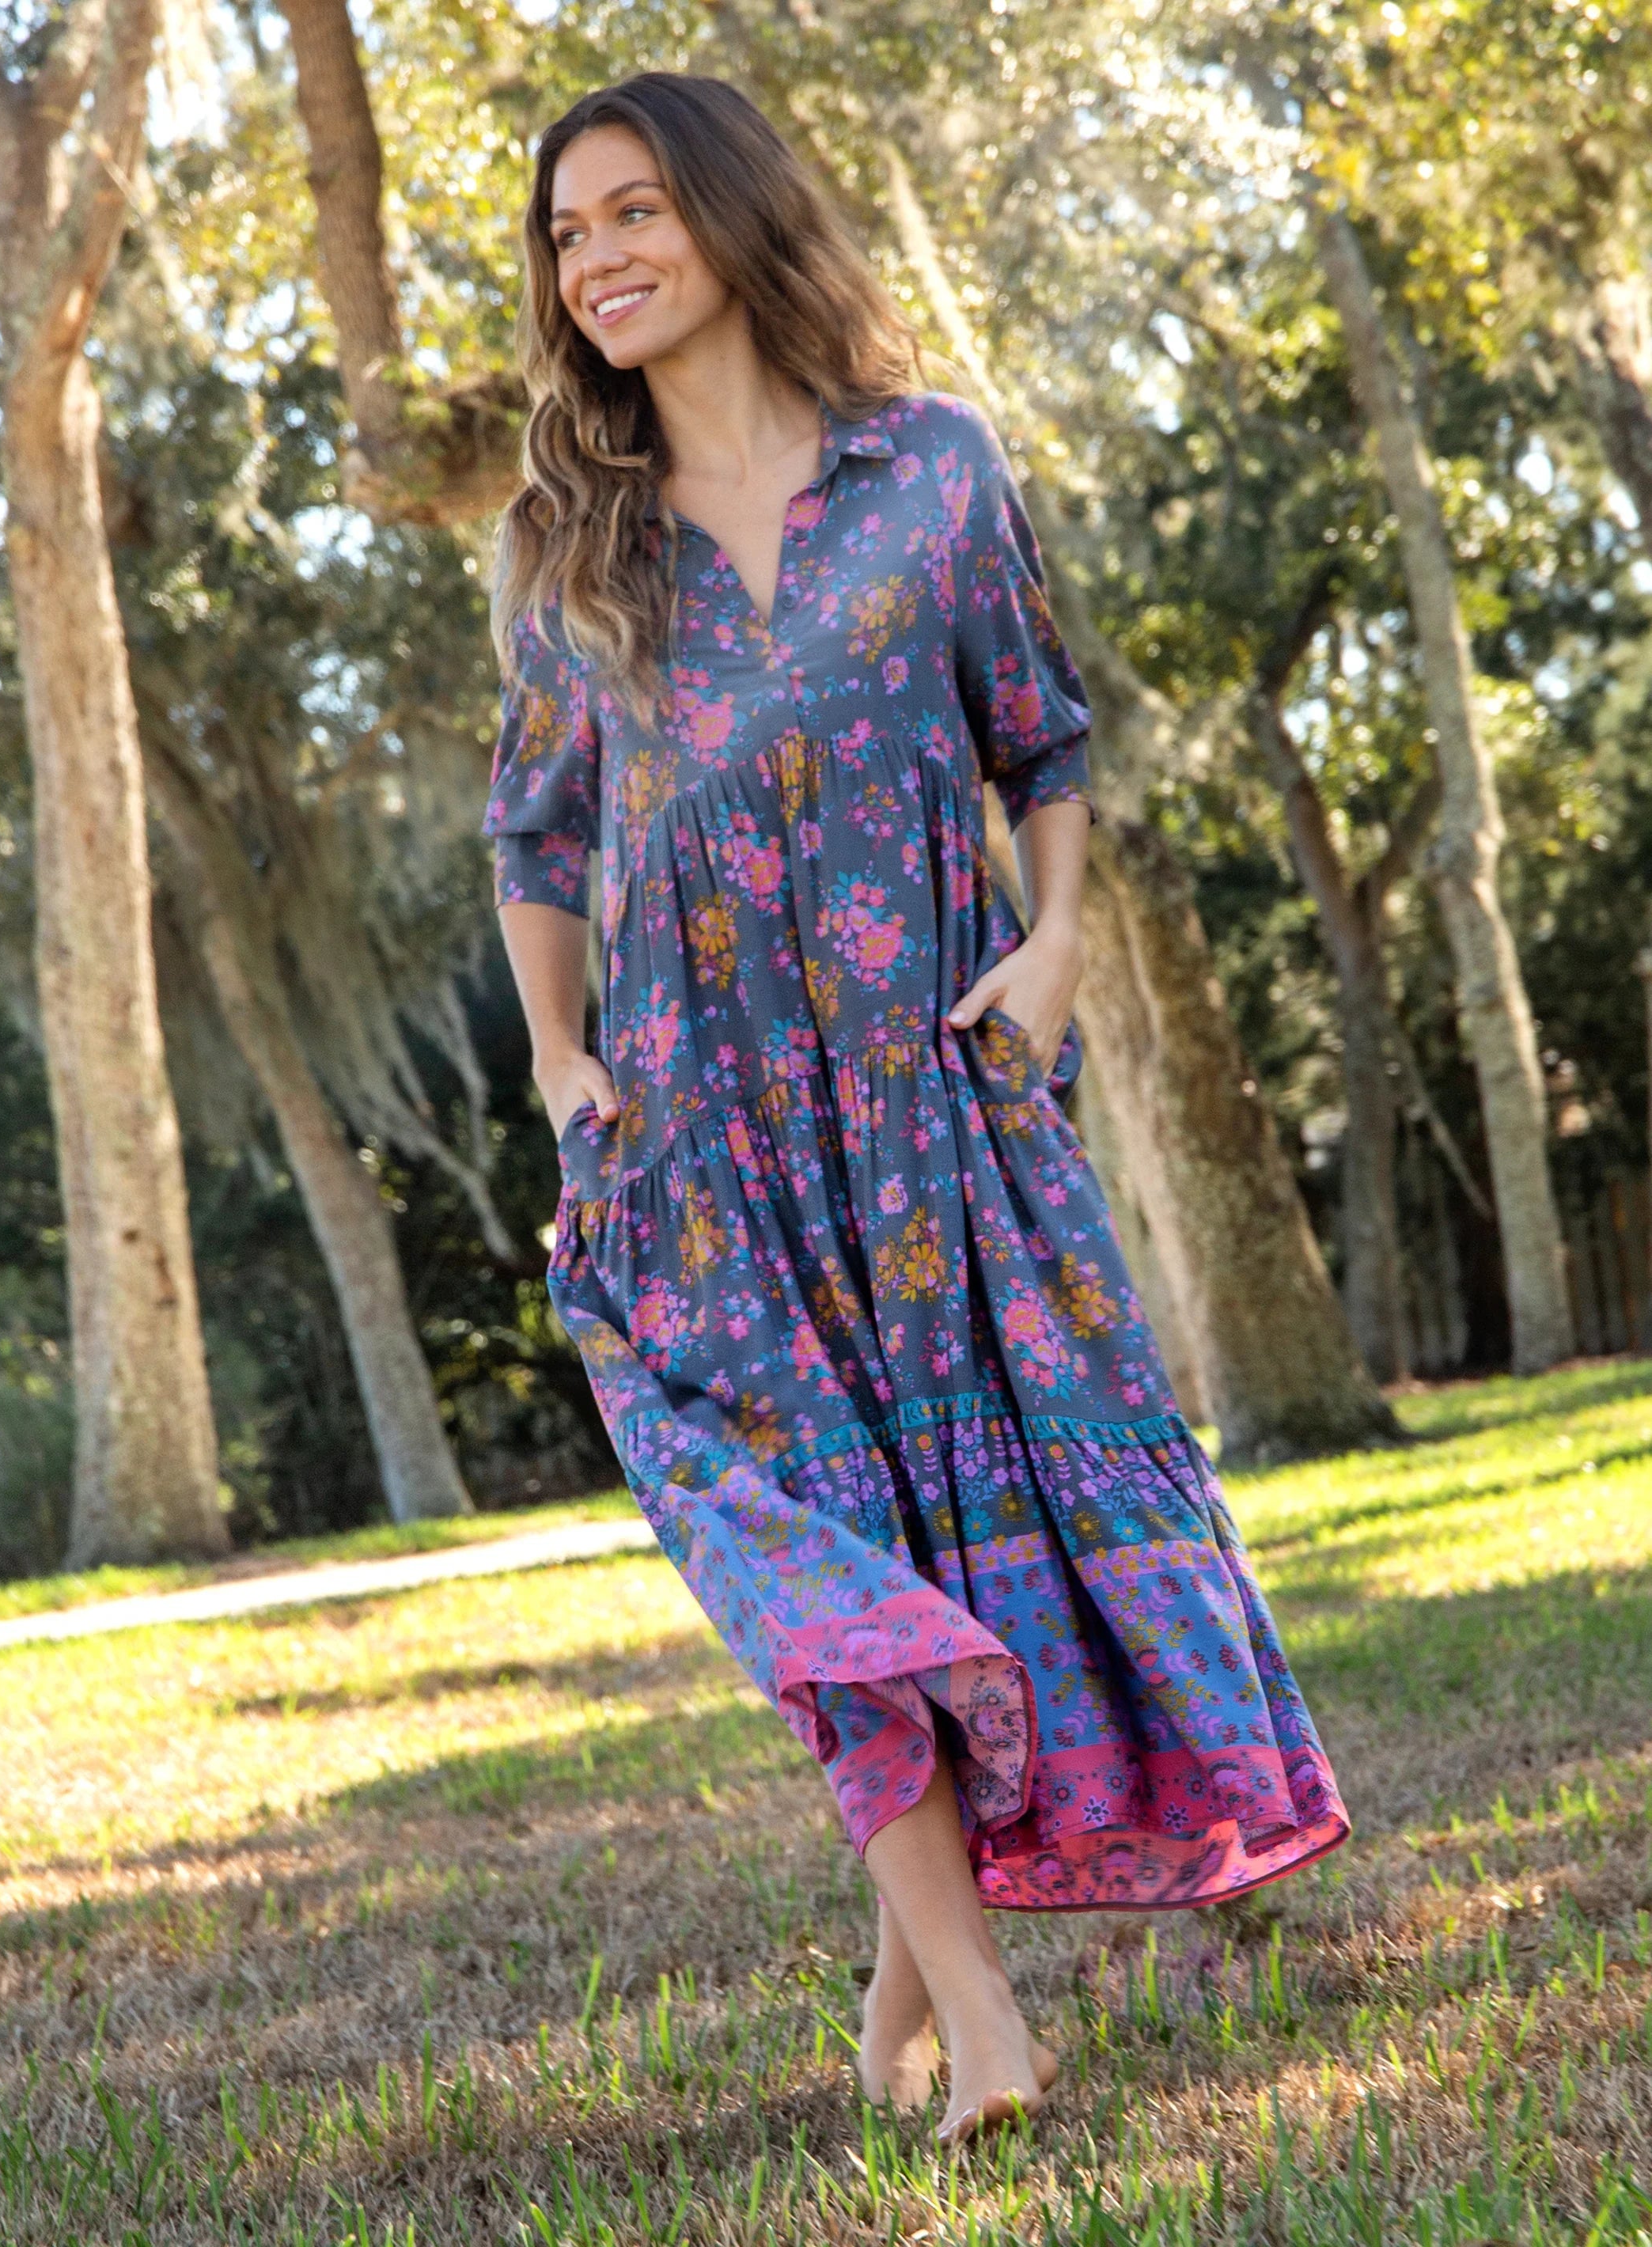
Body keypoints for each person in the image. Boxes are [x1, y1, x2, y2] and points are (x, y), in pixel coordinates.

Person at [486, 71, 1349, 2143]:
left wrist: (1055, 946)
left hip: (938, 1109)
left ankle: (908, 1986)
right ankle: (984, 2018)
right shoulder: (561, 543)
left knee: (958, 1543)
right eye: (564, 235)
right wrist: (558, 1058)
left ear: (728, 212)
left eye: (631, 211)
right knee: (812, 1573)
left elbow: (1040, 736)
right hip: (701, 1149)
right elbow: (535, 834)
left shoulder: (933, 469)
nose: (595, 259)